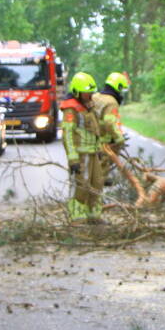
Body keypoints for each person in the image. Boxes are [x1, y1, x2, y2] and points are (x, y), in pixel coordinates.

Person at [60, 72, 104, 222]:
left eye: (91, 92)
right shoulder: (71, 109)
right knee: (82, 186)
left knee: (97, 183)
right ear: (77, 92)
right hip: (80, 155)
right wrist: (73, 159)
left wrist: (99, 150)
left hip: (92, 153)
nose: (90, 95)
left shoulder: (88, 107)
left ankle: (94, 215)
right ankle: (77, 218)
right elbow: (67, 135)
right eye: (87, 92)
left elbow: (94, 130)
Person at [91, 72, 129, 181]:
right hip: (103, 141)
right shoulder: (112, 102)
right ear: (118, 87)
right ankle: (99, 185)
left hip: (91, 139)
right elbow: (109, 123)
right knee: (102, 167)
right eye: (121, 89)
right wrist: (119, 139)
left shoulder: (95, 96)